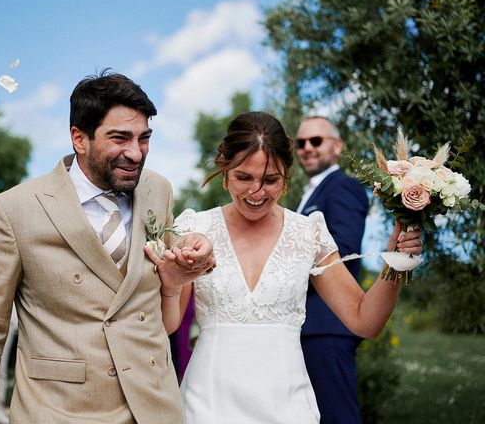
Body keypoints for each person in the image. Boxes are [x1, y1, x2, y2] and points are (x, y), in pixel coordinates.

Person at [0, 70, 215, 424]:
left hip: (154, 409)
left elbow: (162, 308)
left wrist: (181, 270)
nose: (136, 153)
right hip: (59, 411)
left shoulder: (159, 190)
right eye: (120, 138)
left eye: (144, 138)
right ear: (79, 137)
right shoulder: (15, 209)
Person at [145, 112, 422, 424]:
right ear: (225, 172)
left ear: (286, 177)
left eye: (270, 180)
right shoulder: (193, 228)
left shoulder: (307, 233)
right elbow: (168, 325)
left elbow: (365, 321)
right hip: (208, 404)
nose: (256, 192)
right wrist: (171, 284)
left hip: (288, 408)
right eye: (244, 177)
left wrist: (396, 262)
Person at [295, 116, 369, 423]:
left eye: (316, 141)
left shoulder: (343, 187)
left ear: (337, 146)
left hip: (327, 323)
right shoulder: (308, 194)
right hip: (307, 326)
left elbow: (345, 251)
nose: (307, 148)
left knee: (337, 415)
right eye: (300, 143)